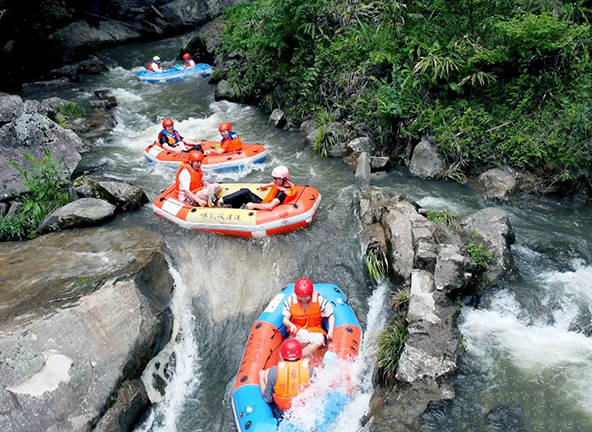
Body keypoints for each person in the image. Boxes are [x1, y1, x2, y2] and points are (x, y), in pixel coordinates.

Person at [259, 339, 315, 418]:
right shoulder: (311, 370)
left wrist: (261, 376)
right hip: (304, 412)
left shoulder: (273, 371)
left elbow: (268, 398)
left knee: (265, 374)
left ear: (282, 354)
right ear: (300, 353)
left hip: (282, 412)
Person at [282, 278, 335, 358]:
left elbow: (330, 315)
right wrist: (290, 325)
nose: (303, 299)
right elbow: (285, 319)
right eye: (300, 297)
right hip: (298, 329)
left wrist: (330, 331)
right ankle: (292, 353)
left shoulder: (319, 301)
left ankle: (299, 356)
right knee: (295, 342)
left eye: (306, 297)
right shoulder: (290, 301)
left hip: (314, 329)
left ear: (311, 294)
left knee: (318, 340)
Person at [212, 166, 296, 210]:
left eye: (276, 178)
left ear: (284, 178)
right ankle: (231, 207)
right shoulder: (285, 183)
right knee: (244, 193)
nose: (274, 180)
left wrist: (253, 205)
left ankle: (218, 201)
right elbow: (275, 184)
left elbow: (270, 206)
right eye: (273, 178)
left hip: (263, 208)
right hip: (263, 203)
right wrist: (266, 186)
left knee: (245, 192)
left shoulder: (281, 193)